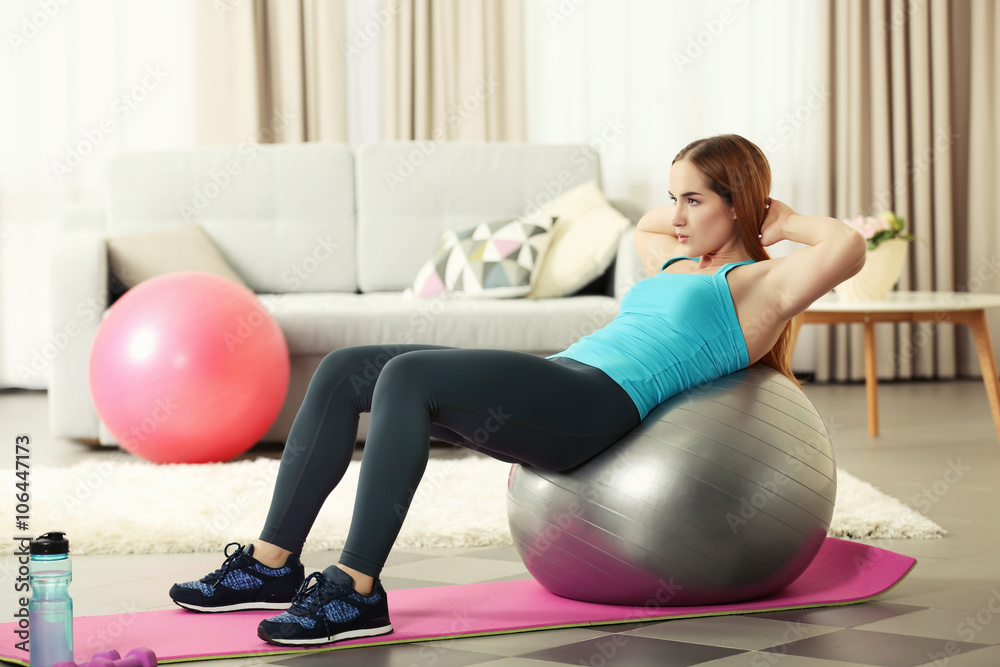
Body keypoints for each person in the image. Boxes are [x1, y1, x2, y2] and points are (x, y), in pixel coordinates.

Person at [168, 134, 866, 646]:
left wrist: (778, 218)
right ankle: (270, 565)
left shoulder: (755, 289)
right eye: (673, 194)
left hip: (597, 405)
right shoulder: (678, 257)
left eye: (694, 198)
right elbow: (648, 225)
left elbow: (845, 249)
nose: (675, 213)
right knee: (348, 367)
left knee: (406, 376)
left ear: (739, 204)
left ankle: (355, 590)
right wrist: (700, 211)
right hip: (564, 373)